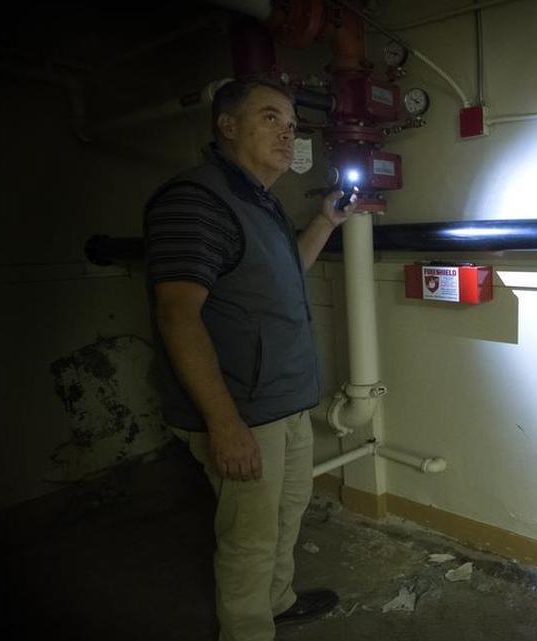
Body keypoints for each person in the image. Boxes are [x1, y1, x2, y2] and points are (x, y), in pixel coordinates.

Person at [143, 78, 354, 641]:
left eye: (291, 124)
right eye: (269, 119)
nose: (287, 133)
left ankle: (277, 601)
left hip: (283, 398)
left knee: (286, 514)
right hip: (242, 407)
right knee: (250, 534)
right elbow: (177, 316)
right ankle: (247, 631)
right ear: (227, 125)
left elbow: (288, 274)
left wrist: (326, 223)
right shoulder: (197, 199)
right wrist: (224, 423)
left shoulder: (260, 202)